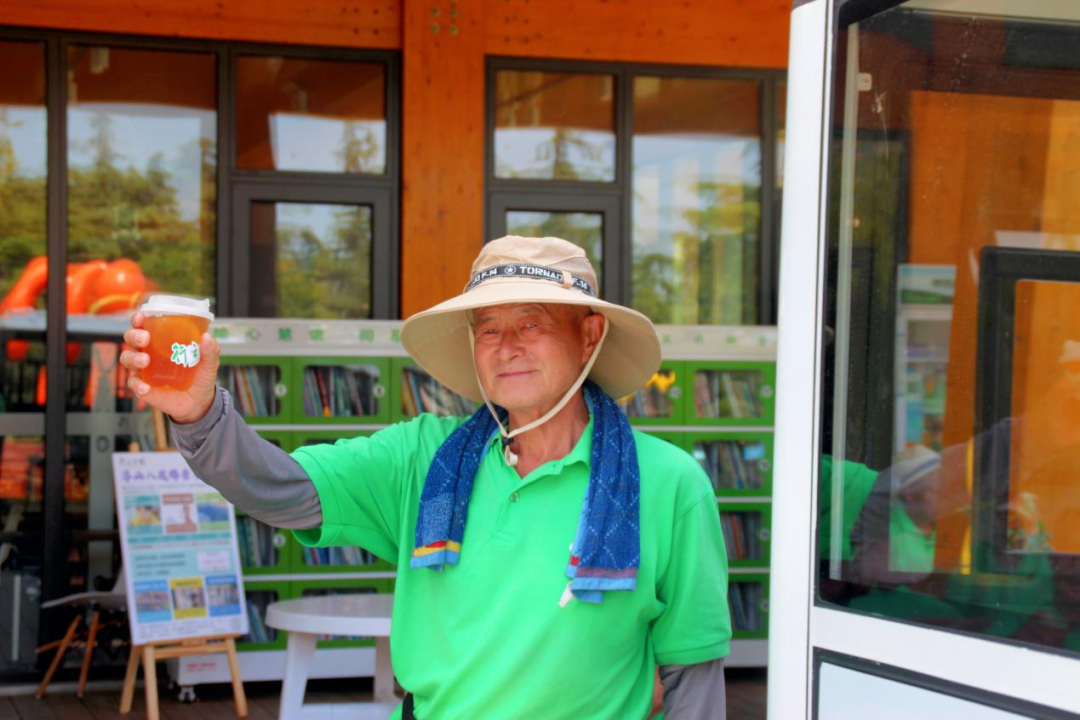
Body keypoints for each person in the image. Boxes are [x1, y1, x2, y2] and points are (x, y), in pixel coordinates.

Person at [119, 235, 731, 719]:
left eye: (533, 323)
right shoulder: (422, 458)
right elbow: (278, 487)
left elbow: (692, 677)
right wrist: (198, 413)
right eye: (488, 328)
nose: (507, 346)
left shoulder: (668, 483)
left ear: (589, 335)